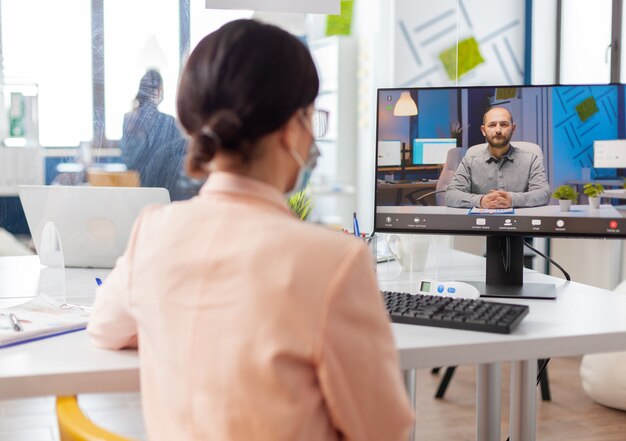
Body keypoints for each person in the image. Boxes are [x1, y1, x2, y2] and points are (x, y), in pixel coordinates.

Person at [87, 19, 414, 441]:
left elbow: (104, 327)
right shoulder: (333, 262)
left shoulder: (153, 231)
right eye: (314, 116)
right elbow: (384, 428)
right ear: (290, 127)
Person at [445, 107, 551, 209]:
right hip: (480, 224)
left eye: (504, 124)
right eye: (492, 125)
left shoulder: (531, 159)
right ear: (483, 130)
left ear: (513, 128)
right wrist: (481, 201)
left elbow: (543, 193)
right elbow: (451, 195)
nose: (498, 130)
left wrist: (512, 199)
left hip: (521, 224)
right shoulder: (470, 160)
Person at [120, 69, 200, 201]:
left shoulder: (129, 119)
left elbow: (129, 160)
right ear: (158, 91)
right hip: (166, 191)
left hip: (139, 191)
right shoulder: (168, 121)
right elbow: (184, 151)